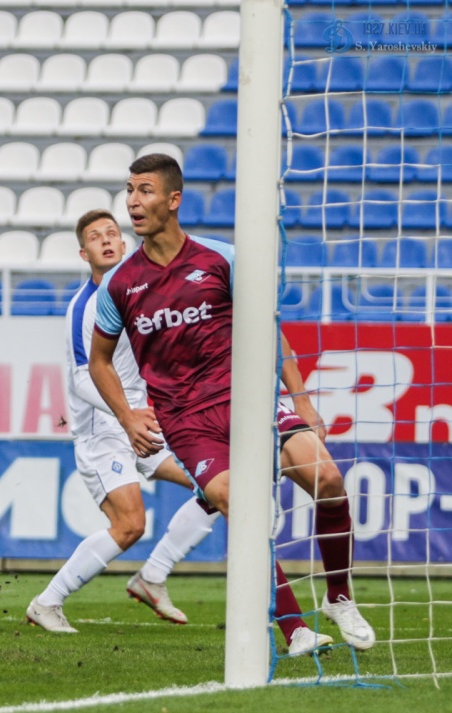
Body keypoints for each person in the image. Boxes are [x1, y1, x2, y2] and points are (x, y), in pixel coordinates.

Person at [89, 153, 375, 655]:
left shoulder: (221, 259)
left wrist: (302, 400)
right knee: (239, 506)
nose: (133, 201)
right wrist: (128, 416)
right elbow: (100, 362)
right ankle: (295, 629)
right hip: (187, 421)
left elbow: (270, 328)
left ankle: (338, 598)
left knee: (329, 480)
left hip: (249, 399)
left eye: (145, 190)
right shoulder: (119, 284)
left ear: (173, 200)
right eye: (129, 190)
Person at [26, 210, 220, 633]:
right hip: (105, 429)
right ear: (84, 253)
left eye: (112, 233)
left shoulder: (138, 290)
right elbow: (82, 379)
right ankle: (47, 602)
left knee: (219, 487)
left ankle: (153, 574)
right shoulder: (84, 307)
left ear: (124, 241)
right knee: (130, 525)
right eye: (96, 237)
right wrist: (126, 415)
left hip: (145, 421)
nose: (106, 240)